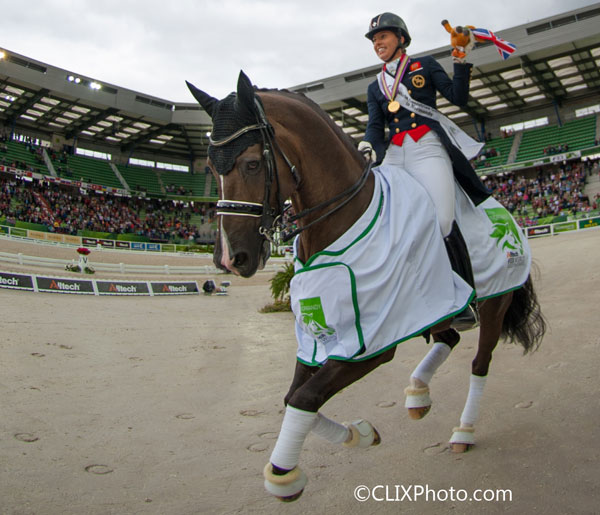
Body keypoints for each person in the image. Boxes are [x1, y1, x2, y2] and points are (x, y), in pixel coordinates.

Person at [359, 12, 491, 329]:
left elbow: (458, 98)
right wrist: (366, 147)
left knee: (443, 219)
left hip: (427, 147)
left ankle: (464, 299)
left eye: (383, 36)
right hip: (394, 154)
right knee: (379, 221)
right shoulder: (375, 87)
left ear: (401, 39)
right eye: (374, 39)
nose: (378, 42)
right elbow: (376, 128)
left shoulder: (425, 66)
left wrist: (460, 59)